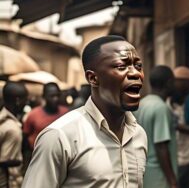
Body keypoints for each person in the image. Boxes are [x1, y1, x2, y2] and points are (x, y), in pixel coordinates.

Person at [21, 35, 147, 187]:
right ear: (93, 78)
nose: (136, 74)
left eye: (138, 66)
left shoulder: (138, 135)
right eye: (121, 66)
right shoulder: (60, 136)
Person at [134, 65, 178, 188]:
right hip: (159, 176)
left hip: (143, 173)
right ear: (169, 83)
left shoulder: (141, 104)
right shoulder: (161, 108)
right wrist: (172, 181)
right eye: (174, 82)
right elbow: (161, 146)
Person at [23, 82, 69, 149]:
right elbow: (25, 136)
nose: (55, 99)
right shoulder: (33, 114)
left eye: (57, 95)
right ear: (44, 96)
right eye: (52, 96)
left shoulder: (65, 113)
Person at [0, 81, 28, 188]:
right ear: (18, 100)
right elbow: (4, 161)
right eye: (26, 99)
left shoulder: (3, 118)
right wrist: (19, 161)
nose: (27, 102)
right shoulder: (12, 129)